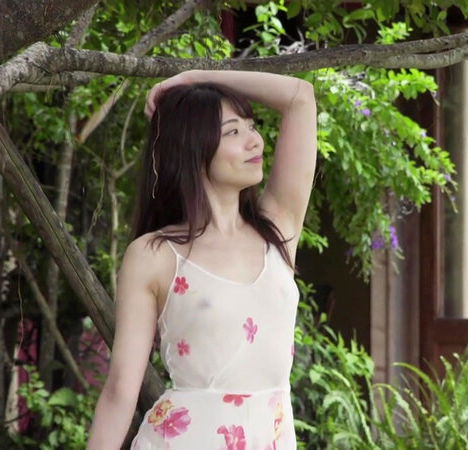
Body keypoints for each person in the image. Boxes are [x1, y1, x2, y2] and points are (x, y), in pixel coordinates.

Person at [87, 70, 317, 449]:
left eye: (251, 126)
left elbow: (300, 97)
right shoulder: (155, 254)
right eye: (233, 132)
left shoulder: (278, 230)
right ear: (193, 148)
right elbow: (120, 391)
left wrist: (195, 78)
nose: (254, 140)